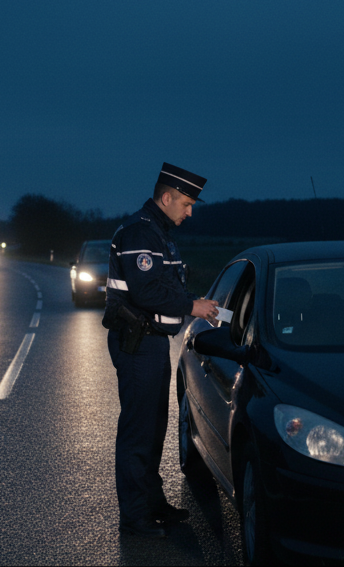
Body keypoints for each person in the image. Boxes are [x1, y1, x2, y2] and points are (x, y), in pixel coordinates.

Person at [103, 162, 220, 538]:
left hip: (150, 343)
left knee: (153, 429)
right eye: (186, 203)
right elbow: (146, 291)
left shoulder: (157, 232)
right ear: (166, 197)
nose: (190, 211)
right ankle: (135, 517)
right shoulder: (141, 232)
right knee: (139, 431)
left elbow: (161, 285)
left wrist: (189, 299)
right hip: (138, 343)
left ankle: (153, 505)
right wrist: (192, 306)